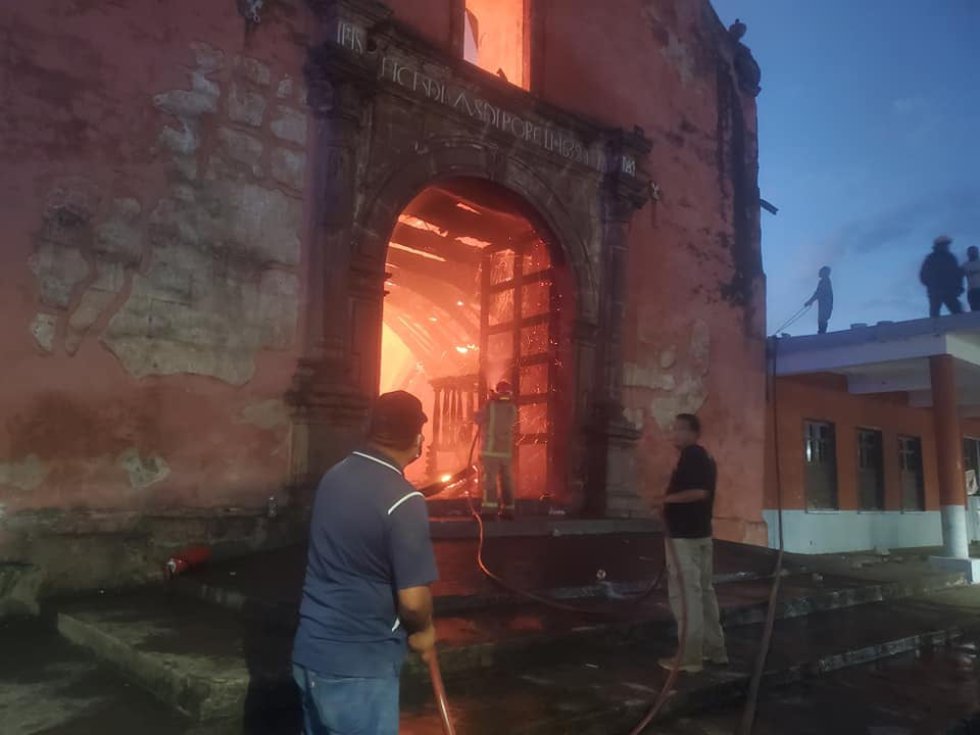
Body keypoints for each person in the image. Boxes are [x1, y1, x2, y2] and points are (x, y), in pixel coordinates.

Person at [292, 391, 439, 735]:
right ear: (418, 439)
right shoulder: (404, 500)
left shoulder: (333, 477)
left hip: (311, 653)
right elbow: (414, 603)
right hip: (359, 667)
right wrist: (425, 631)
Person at [656, 413, 727, 674]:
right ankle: (714, 649)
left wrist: (664, 500)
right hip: (700, 535)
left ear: (692, 432)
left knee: (687, 595)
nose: (674, 434)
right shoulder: (705, 458)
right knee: (704, 592)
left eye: (678, 430)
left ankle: (689, 657)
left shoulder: (692, 456)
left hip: (684, 538)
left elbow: (699, 492)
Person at [475, 380, 517, 520]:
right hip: (505, 452)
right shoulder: (512, 407)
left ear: (498, 390)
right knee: (506, 480)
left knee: (490, 480)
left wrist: (490, 399)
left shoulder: (490, 406)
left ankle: (489, 510)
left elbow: (478, 418)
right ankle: (509, 509)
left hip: (490, 451)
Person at [920, 235, 964, 317]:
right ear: (938, 246)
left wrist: (959, 287)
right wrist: (932, 285)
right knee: (935, 313)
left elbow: (957, 274)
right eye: (944, 244)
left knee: (957, 312)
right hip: (936, 290)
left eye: (947, 245)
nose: (946, 246)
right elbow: (923, 275)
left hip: (950, 290)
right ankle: (934, 328)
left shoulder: (951, 258)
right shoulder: (931, 258)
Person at [805, 266, 834, 334]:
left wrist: (810, 301)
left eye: (821, 272)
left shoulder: (825, 281)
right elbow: (818, 293)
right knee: (822, 319)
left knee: (822, 319)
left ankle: (822, 333)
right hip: (825, 303)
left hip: (826, 303)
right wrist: (811, 301)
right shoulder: (824, 281)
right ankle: (821, 332)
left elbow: (819, 293)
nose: (819, 273)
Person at [964, 246, 980, 312]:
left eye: (974, 252)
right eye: (971, 252)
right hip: (972, 290)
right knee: (974, 310)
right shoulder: (965, 265)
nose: (973, 254)